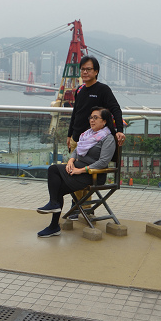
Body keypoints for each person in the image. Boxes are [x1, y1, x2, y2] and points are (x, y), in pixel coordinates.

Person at [37, 107, 117, 237]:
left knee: (55, 174)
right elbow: (77, 149)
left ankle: (53, 213)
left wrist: (80, 170)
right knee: (56, 182)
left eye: (96, 118)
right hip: (78, 168)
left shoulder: (108, 138)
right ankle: (54, 224)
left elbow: (103, 162)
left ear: (104, 121)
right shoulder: (88, 134)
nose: (92, 120)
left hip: (93, 175)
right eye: (91, 117)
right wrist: (70, 161)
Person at [66, 56, 125, 152]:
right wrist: (69, 135)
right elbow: (75, 113)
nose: (85, 72)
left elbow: (116, 109)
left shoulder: (103, 89)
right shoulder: (80, 90)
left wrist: (119, 130)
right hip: (76, 139)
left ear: (96, 72)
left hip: (94, 141)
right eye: (83, 69)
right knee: (73, 161)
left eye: (88, 69)